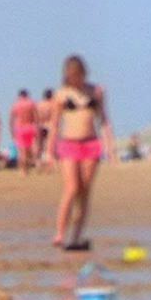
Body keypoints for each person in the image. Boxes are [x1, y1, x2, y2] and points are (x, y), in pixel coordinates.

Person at [50, 53, 112, 251]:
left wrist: (109, 146)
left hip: (91, 144)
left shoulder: (95, 92)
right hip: (69, 144)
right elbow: (54, 125)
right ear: (67, 75)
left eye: (79, 74)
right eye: (72, 75)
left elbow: (104, 120)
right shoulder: (61, 95)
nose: (76, 78)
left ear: (84, 73)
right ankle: (60, 233)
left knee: (84, 191)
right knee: (71, 188)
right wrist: (50, 152)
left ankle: (76, 236)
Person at [10, 89, 39, 174]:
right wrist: (37, 128)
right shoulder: (31, 103)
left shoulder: (16, 105)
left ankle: (23, 170)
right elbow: (36, 117)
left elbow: (11, 119)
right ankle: (29, 166)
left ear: (19, 96)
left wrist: (12, 130)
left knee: (22, 151)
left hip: (20, 128)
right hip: (30, 127)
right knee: (29, 149)